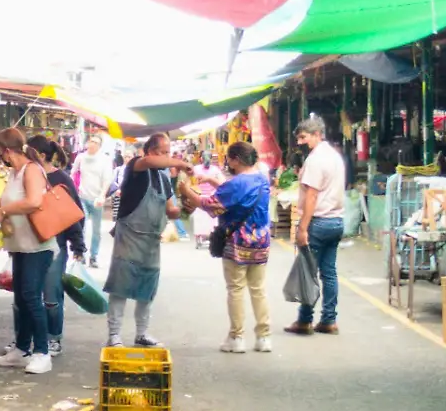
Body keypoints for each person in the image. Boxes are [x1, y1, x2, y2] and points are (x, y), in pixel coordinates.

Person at [104, 132, 197, 347]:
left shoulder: (163, 178)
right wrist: (180, 163)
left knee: (147, 288)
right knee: (120, 287)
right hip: (129, 236)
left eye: (168, 152)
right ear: (150, 151)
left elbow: (171, 210)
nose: (166, 157)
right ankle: (114, 335)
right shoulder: (138, 165)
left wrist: (185, 209)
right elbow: (150, 162)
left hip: (152, 240)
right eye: (162, 152)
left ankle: (142, 333)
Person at [0, 127, 55, 373]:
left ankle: (42, 352)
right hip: (20, 246)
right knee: (22, 298)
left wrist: (3, 212)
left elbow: (34, 202)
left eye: (0, 152)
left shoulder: (32, 170)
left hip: (38, 245)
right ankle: (22, 349)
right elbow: (6, 199)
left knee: (32, 297)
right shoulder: (14, 172)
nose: (0, 158)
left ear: (8, 151)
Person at [207, 141, 272, 353]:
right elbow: (239, 196)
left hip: (237, 243)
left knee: (235, 289)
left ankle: (237, 337)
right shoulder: (262, 180)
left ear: (236, 159)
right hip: (261, 242)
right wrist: (215, 182)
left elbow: (211, 206)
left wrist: (186, 192)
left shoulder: (235, 184)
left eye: (229, 158)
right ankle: (264, 338)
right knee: (258, 290)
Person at [285, 116, 346, 335]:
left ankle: (304, 320)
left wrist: (302, 228)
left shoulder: (316, 159)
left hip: (318, 222)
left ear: (317, 134)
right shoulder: (335, 157)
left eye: (304, 137)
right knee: (329, 273)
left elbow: (311, 196)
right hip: (336, 221)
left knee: (308, 272)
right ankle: (329, 320)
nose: (301, 142)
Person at [28, 135, 86, 357]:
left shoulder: (61, 179)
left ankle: (54, 338)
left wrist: (78, 247)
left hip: (56, 246)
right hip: (30, 245)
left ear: (41, 156)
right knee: (29, 296)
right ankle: (28, 339)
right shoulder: (27, 176)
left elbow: (74, 216)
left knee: (51, 297)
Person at [73, 134, 112, 260]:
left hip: (97, 199)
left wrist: (102, 195)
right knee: (81, 227)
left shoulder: (104, 159)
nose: (92, 144)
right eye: (91, 141)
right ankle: (81, 253)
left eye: (95, 142)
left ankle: (93, 255)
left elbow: (107, 179)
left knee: (96, 230)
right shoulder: (81, 157)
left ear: (100, 146)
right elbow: (73, 173)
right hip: (82, 196)